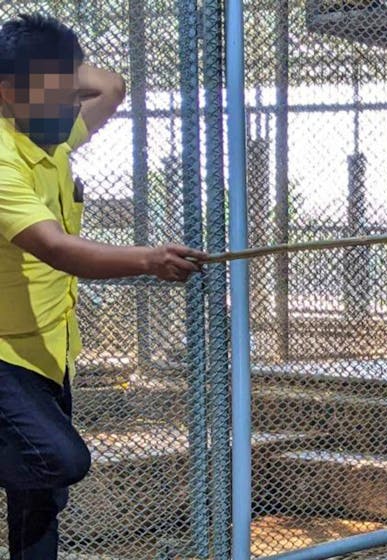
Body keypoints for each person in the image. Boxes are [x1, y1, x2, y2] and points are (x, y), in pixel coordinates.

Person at [0, 13, 207, 558]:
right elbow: (56, 248)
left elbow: (111, 85)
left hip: (45, 348)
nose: (72, 105)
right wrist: (149, 259)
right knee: (60, 459)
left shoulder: (47, 135)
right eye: (56, 93)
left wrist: (56, 65)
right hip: (0, 354)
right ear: (8, 92)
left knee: (41, 494)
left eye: (71, 90)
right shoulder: (1, 157)